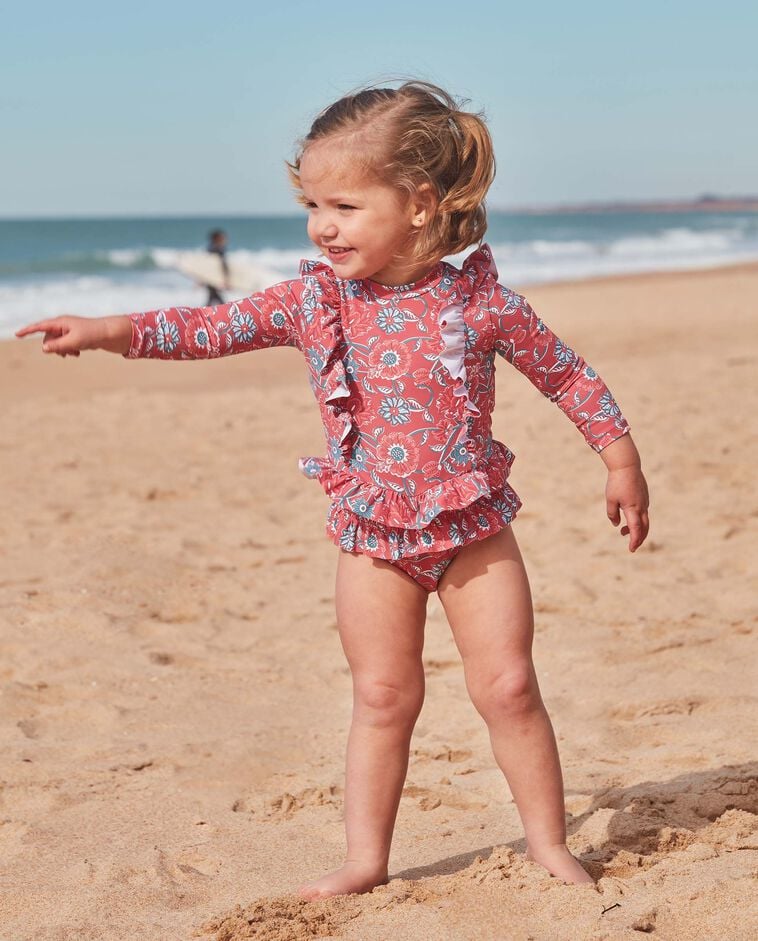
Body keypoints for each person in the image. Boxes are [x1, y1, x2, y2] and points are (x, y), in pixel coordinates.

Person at [16, 80, 650, 899]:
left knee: (509, 687)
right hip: (373, 539)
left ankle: (549, 842)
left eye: (345, 206)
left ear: (418, 205)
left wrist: (620, 460)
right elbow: (209, 328)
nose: (323, 225)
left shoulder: (480, 303)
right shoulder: (315, 301)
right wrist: (109, 330)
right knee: (383, 695)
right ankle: (365, 857)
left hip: (474, 531)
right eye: (312, 205)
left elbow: (568, 375)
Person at [205, 228, 229, 305]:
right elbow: (222, 265)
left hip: (210, 278)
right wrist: (226, 278)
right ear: (216, 239)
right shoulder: (218, 250)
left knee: (213, 297)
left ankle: (203, 312)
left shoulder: (209, 249)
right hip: (213, 278)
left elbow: (205, 266)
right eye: (222, 238)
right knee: (215, 298)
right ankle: (226, 310)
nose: (225, 240)